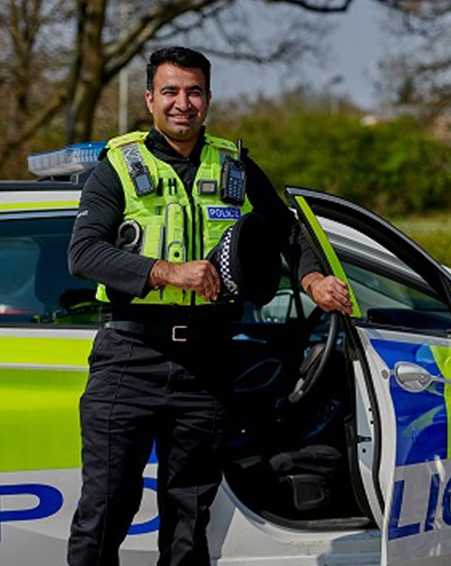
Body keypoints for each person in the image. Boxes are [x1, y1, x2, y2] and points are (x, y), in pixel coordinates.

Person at [66, 46, 350, 566]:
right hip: (129, 358)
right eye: (170, 92)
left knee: (190, 516)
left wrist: (310, 277)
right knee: (106, 509)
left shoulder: (234, 164)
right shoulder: (118, 167)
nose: (183, 103)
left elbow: (286, 228)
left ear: (208, 98)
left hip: (208, 362)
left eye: (193, 92)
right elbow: (83, 253)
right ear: (150, 98)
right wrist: (166, 272)